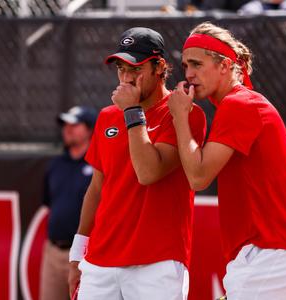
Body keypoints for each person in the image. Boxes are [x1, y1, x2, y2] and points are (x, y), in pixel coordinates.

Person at [168, 22, 286, 299]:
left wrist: (179, 117)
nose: (188, 74)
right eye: (186, 65)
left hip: (270, 252)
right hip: (268, 253)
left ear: (224, 66)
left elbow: (198, 177)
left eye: (197, 65)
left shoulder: (240, 105)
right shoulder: (238, 104)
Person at [67, 27, 206, 300]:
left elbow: (149, 172)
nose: (127, 78)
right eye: (121, 68)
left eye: (136, 68)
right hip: (100, 261)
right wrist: (77, 254)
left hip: (158, 262)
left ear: (160, 67)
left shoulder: (183, 112)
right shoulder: (107, 116)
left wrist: (131, 111)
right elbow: (97, 188)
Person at [40, 105, 98, 300]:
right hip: (54, 252)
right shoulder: (56, 165)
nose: (68, 129)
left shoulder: (98, 164)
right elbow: (49, 202)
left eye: (74, 124)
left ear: (90, 129)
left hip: (88, 255)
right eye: (65, 125)